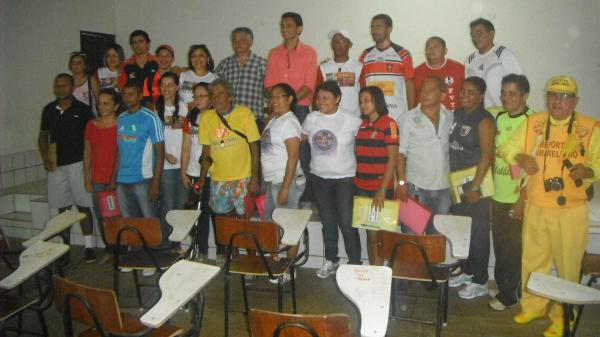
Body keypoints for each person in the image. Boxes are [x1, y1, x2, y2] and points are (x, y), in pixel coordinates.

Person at [501, 76, 600, 337]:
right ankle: (534, 306)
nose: (558, 101)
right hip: (536, 205)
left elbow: (599, 162)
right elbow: (506, 148)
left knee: (568, 267)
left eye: (565, 96)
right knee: (533, 262)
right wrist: (522, 157)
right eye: (553, 95)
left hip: (571, 210)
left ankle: (564, 317)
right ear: (546, 98)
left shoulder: (590, 127)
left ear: (575, 101)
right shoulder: (533, 122)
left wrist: (588, 170)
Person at [302, 81, 362, 278]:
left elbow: (365, 144)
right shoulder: (311, 118)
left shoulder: (351, 120)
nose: (320, 101)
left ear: (337, 99)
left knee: (346, 222)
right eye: (318, 98)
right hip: (319, 178)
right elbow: (300, 141)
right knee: (327, 222)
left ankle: (354, 263)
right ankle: (331, 260)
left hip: (344, 179)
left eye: (326, 98)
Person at [38, 73, 96, 263]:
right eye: (58, 85)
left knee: (83, 205)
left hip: (78, 164)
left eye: (64, 85)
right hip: (57, 166)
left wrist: (89, 166)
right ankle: (64, 249)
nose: (60, 88)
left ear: (72, 88)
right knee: (62, 209)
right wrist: (45, 157)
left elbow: (91, 139)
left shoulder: (84, 110)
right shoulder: (48, 110)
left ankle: (89, 247)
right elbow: (43, 137)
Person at [447, 76, 496, 300]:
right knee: (463, 231)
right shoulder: (456, 114)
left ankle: (481, 281)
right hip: (456, 181)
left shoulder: (484, 119)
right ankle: (467, 271)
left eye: (471, 92)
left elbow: (487, 157)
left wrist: (475, 187)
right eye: (463, 91)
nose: (465, 96)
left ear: (481, 96)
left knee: (477, 233)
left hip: (476, 183)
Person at [488, 74, 534, 311]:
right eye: (503, 92)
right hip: (497, 195)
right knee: (500, 246)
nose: (506, 97)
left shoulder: (533, 122)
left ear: (525, 96)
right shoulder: (499, 117)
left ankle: (511, 295)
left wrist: (521, 201)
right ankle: (503, 286)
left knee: (514, 248)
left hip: (517, 197)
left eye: (512, 93)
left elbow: (532, 169)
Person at [265, 12, 317, 203]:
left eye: (288, 25)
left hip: (300, 109)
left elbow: (309, 85)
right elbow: (270, 83)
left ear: (299, 29)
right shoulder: (274, 53)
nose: (284, 29)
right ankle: (276, 191)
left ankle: (304, 198)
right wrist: (280, 103)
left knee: (302, 154)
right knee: (274, 151)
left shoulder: (309, 52)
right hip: (278, 110)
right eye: (282, 25)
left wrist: (289, 104)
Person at [396, 76, 453, 233]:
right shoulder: (407, 119)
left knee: (435, 240)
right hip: (416, 187)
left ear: (442, 95)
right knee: (412, 239)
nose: (425, 94)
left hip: (443, 188)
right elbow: (400, 154)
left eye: (430, 90)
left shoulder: (450, 116)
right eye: (423, 90)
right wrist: (401, 184)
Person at [261, 83, 305, 282]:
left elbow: (294, 156)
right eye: (273, 96)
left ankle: (288, 270)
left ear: (290, 99)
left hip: (285, 182)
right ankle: (276, 265)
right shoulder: (274, 120)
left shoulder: (289, 122)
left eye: (280, 96)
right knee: (273, 227)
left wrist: (286, 187)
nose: (275, 100)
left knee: (289, 228)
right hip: (273, 181)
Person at [198, 78, 260, 218]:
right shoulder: (206, 118)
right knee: (224, 226)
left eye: (220, 93)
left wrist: (255, 179)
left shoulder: (245, 114)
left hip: (243, 179)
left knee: (244, 224)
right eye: (212, 94)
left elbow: (255, 148)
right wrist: (202, 179)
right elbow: (206, 152)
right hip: (218, 180)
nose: (215, 97)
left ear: (230, 96)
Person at [354, 86, 398, 265]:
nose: (363, 105)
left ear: (377, 101)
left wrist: (382, 190)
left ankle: (380, 273)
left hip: (379, 190)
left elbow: (393, 159)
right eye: (361, 101)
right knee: (369, 232)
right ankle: (373, 270)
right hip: (361, 187)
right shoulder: (362, 124)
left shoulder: (389, 123)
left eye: (367, 100)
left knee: (379, 235)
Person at [181, 82, 218, 262]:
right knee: (197, 214)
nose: (198, 99)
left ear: (211, 98)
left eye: (202, 95)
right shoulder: (191, 117)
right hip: (194, 172)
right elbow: (186, 146)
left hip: (215, 174)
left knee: (217, 214)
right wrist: (183, 172)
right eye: (195, 96)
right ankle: (200, 251)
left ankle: (221, 253)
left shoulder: (217, 116)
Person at [116, 83, 165, 219]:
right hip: (122, 180)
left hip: (143, 179)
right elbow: (119, 152)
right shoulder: (120, 118)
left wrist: (155, 183)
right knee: (129, 224)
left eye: (131, 94)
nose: (126, 97)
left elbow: (160, 154)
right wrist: (114, 178)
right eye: (124, 94)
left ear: (140, 96)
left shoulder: (151, 118)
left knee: (150, 224)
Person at [359, 14, 416, 123]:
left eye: (379, 26)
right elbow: (361, 86)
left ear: (389, 29)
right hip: (373, 117)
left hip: (398, 116)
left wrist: (411, 113)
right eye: (372, 27)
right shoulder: (365, 55)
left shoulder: (403, 54)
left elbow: (410, 85)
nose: (374, 30)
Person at [83, 89, 120, 258]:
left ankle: (122, 249)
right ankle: (110, 249)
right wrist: (87, 177)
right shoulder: (92, 125)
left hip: (117, 179)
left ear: (116, 106)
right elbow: (87, 152)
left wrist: (114, 178)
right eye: (100, 103)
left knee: (117, 216)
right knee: (101, 216)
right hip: (98, 178)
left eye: (107, 103)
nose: (102, 107)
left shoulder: (121, 124)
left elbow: (121, 153)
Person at [155, 72, 188, 246]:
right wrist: (166, 155)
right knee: (167, 206)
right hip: (165, 166)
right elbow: (152, 140)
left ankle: (178, 244)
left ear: (177, 87)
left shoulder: (184, 108)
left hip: (183, 166)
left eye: (170, 84)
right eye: (163, 84)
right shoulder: (154, 109)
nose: (166, 88)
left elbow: (188, 137)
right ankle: (165, 245)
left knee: (180, 206)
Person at [465, 18, 522, 110]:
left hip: (501, 112)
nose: (475, 38)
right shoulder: (469, 61)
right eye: (473, 35)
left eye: (479, 33)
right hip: (478, 115)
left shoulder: (503, 54)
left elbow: (519, 85)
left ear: (491, 34)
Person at [215, 27, 267, 126]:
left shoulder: (262, 63)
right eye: (234, 41)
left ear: (251, 42)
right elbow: (213, 87)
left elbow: (269, 92)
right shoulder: (225, 64)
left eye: (241, 40)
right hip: (228, 119)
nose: (237, 44)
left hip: (253, 119)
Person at [316, 29, 363, 118]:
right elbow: (316, 94)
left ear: (350, 45)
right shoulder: (323, 68)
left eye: (342, 40)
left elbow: (364, 93)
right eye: (335, 41)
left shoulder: (359, 67)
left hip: (353, 118)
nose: (337, 43)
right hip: (328, 117)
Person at [414, 36, 464, 110]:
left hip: (455, 116)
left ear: (445, 51)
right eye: (428, 47)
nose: (431, 50)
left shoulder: (459, 68)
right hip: (424, 117)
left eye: (435, 47)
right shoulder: (416, 72)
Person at [118, 30, 158, 101]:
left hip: (155, 107)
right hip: (134, 107)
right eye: (134, 42)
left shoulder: (157, 62)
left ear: (148, 44)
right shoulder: (125, 66)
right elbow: (122, 88)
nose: (137, 45)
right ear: (131, 46)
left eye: (141, 41)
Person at [69, 51, 100, 116]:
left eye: (79, 63)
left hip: (88, 116)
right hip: (72, 116)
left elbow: (98, 101)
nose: (76, 65)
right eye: (73, 62)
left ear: (85, 65)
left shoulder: (91, 80)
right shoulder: (68, 81)